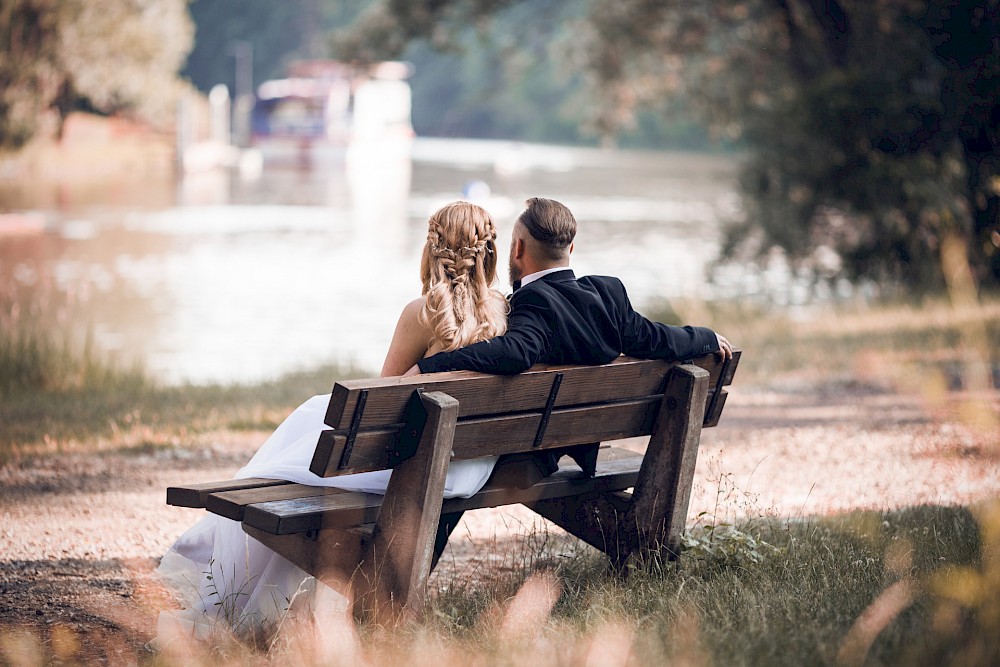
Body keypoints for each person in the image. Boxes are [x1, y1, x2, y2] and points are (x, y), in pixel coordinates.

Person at [154, 201, 509, 645]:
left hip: (416, 468)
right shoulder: (502, 311)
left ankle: (245, 596)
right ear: (490, 252)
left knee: (288, 454)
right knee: (305, 439)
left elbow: (384, 401)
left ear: (432, 250)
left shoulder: (423, 312)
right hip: (470, 468)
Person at [407, 196, 732, 484]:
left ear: (517, 248)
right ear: (570, 249)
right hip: (579, 441)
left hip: (532, 454)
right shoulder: (609, 292)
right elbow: (654, 337)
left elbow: (517, 352)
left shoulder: (531, 301)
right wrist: (703, 337)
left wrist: (429, 366)